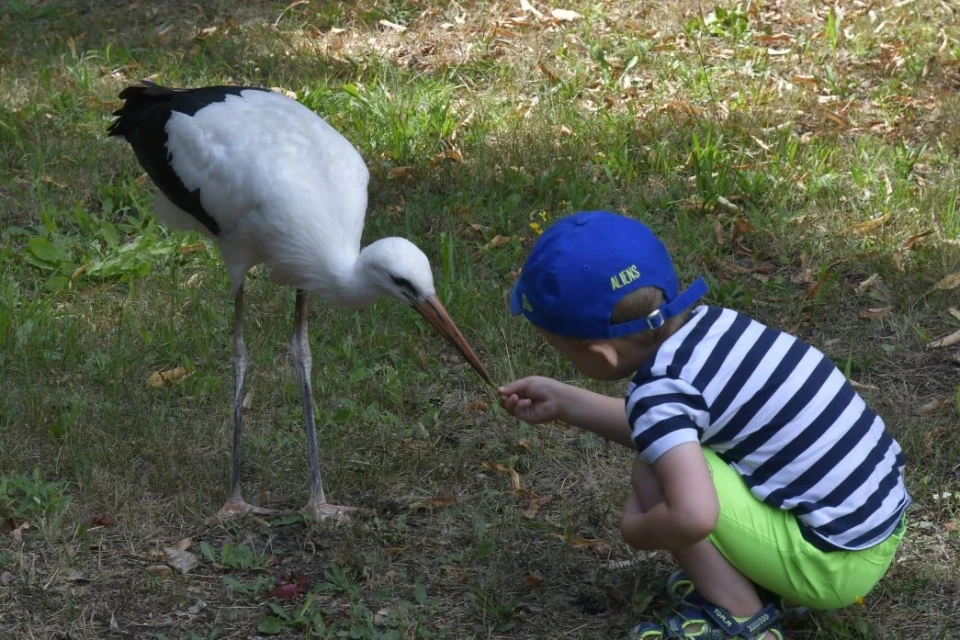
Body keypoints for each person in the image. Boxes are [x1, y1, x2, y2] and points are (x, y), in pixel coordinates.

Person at [498, 211, 910, 639]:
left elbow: (692, 516)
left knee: (655, 468)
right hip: (876, 525)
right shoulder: (718, 330)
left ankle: (742, 615)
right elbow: (663, 426)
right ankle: (755, 579)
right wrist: (565, 401)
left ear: (602, 356)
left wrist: (637, 531)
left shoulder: (660, 392)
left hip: (832, 565)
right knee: (669, 453)